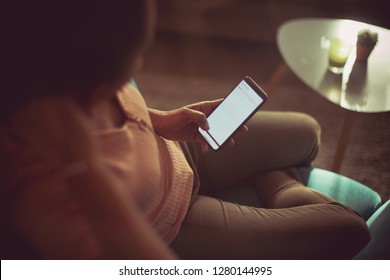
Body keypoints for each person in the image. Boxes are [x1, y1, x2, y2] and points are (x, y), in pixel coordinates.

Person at [0, 0, 369, 260]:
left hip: (177, 149)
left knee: (307, 131)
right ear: (88, 86)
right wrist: (84, 166)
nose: (141, 64)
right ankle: (279, 183)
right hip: (174, 228)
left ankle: (262, 175)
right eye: (136, 58)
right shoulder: (40, 186)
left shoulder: (61, 70)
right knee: (348, 228)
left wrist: (160, 119)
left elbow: (120, 111)